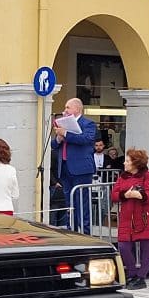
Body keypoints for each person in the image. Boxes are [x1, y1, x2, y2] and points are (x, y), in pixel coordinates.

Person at [110, 149, 149, 290]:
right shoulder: (123, 177)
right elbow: (114, 195)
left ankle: (141, 276)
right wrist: (127, 194)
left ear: (135, 163)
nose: (124, 163)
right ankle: (131, 273)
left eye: (128, 161)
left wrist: (138, 194)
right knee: (123, 246)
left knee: (146, 246)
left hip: (143, 217)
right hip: (126, 217)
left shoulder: (148, 176)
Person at [50, 98, 98, 234]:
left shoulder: (88, 124)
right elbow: (54, 146)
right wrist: (59, 138)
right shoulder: (63, 125)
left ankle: (85, 233)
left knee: (82, 203)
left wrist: (65, 133)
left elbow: (86, 139)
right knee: (69, 203)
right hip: (65, 168)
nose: (65, 111)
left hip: (81, 169)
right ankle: (72, 231)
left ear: (77, 109)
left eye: (67, 108)